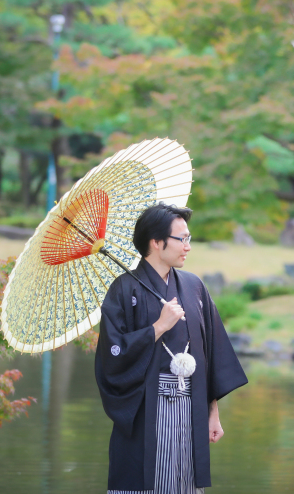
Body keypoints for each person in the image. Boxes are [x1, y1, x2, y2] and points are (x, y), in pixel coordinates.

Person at [95, 202, 248, 494]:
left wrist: (212, 412)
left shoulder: (193, 286)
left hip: (192, 404)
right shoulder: (124, 290)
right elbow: (111, 356)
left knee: (187, 484)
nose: (188, 246)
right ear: (156, 242)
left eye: (188, 238)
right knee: (148, 480)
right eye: (182, 239)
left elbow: (211, 354)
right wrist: (158, 327)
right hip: (146, 407)